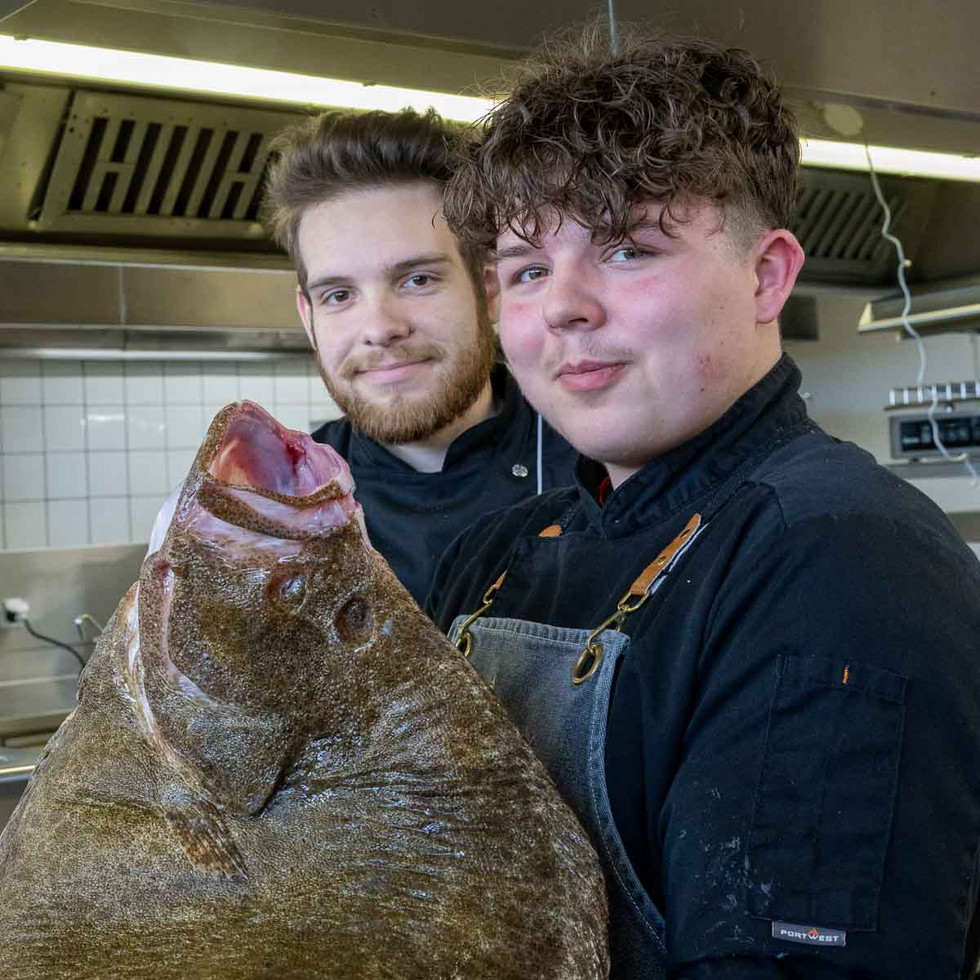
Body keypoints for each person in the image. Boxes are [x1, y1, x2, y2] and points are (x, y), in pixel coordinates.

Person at [426, 27, 980, 980]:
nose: (563, 306)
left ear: (767, 276)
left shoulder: (840, 561)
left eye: (628, 250)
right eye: (524, 269)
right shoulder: (497, 555)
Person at [263, 109, 576, 604]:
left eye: (417, 280)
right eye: (339, 295)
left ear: (489, 287)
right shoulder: (274, 510)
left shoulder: (600, 466)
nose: (381, 328)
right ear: (308, 316)